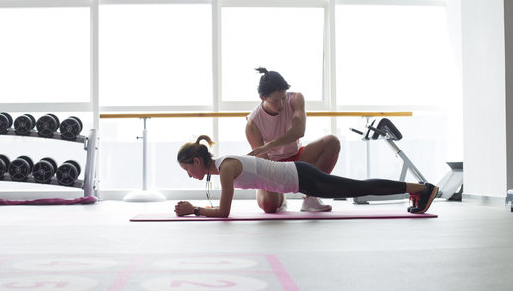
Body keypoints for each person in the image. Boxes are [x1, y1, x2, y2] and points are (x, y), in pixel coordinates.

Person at [174, 135, 438, 218]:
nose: (189, 175)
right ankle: (418, 189)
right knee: (360, 187)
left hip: (302, 177)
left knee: (360, 188)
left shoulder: (227, 168)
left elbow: (224, 212)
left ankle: (422, 188)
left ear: (197, 161)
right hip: (299, 177)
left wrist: (193, 209)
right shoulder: (223, 166)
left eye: (188, 169)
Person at [246, 67, 341, 213]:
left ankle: (311, 197)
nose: (281, 104)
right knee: (269, 206)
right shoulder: (253, 123)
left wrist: (270, 145)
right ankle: (279, 198)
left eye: (283, 98)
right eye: (275, 101)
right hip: (272, 166)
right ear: (262, 98)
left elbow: (299, 131)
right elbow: (264, 164)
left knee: (332, 142)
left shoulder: (295, 99)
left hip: (297, 158)